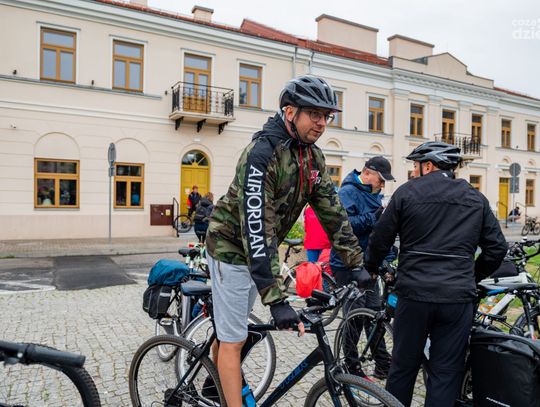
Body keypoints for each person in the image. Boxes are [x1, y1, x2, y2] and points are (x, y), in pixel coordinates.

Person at [206, 75, 366, 407]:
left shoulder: (312, 157)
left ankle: (213, 382)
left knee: (232, 331)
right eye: (314, 114)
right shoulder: (262, 154)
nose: (322, 123)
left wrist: (356, 263)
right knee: (234, 340)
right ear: (290, 112)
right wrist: (276, 300)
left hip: (257, 252)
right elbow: (257, 227)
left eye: (326, 116)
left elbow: (332, 211)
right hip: (230, 249)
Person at [364, 141, 507, 407]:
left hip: (414, 294)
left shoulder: (406, 193)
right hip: (456, 299)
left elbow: (379, 239)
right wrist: (472, 276)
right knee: (445, 373)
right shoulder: (475, 197)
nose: (413, 171)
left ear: (428, 165)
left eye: (415, 166)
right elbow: (497, 248)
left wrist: (372, 268)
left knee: (403, 367)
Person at [330, 156, 396, 380]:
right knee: (355, 317)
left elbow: (377, 233)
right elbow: (346, 227)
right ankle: (350, 365)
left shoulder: (373, 193)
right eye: (381, 180)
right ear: (367, 173)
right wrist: (374, 216)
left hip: (368, 265)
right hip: (347, 264)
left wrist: (386, 259)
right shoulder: (347, 192)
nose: (383, 185)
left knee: (375, 314)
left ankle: (383, 363)